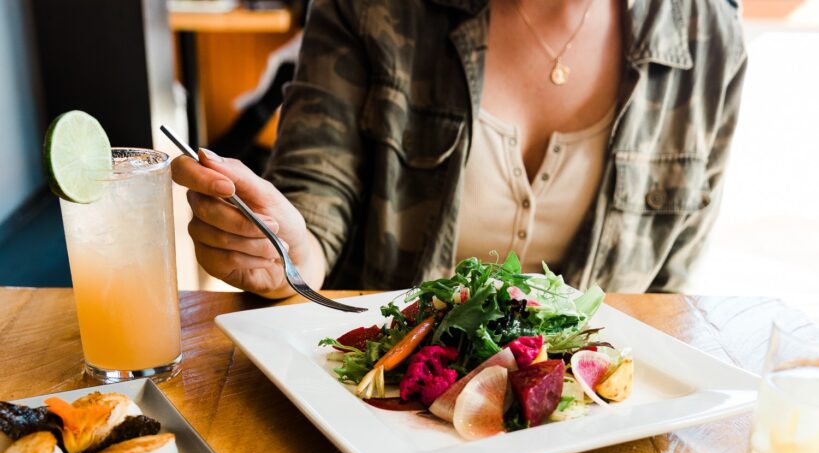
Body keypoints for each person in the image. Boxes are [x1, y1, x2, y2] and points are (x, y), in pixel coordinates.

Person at [172, 0, 746, 298]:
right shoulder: (372, 9)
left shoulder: (709, 37)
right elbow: (316, 196)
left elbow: (668, 298)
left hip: (591, 429)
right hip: (377, 409)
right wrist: (288, 254)